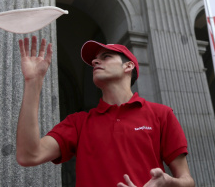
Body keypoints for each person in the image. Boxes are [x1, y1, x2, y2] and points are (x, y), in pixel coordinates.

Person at [16, 37, 195, 187]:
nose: (94, 61)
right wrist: (33, 82)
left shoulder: (161, 114)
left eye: (106, 56)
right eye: (95, 59)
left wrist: (169, 182)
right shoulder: (79, 123)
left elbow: (187, 180)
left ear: (128, 66)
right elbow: (29, 155)